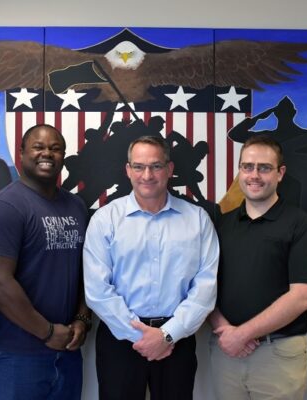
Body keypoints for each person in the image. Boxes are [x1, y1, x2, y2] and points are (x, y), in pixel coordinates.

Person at [83, 135, 219, 400]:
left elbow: (205, 287)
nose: (147, 175)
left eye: (156, 166)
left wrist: (167, 335)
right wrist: (142, 337)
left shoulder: (198, 220)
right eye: (139, 166)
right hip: (119, 340)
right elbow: (97, 290)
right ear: (128, 170)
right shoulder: (105, 220)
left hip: (177, 341)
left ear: (169, 169)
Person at [0, 124, 90, 400]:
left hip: (66, 353)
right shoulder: (4, 207)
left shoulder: (76, 207)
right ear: (22, 153)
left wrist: (82, 319)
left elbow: (88, 271)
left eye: (55, 148)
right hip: (13, 356)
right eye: (38, 147)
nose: (46, 153)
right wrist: (47, 332)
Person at [209, 135, 307, 400]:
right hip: (225, 349)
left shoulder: (302, 226)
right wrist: (226, 331)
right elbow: (204, 286)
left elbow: (303, 297)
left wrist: (243, 335)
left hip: (278, 354)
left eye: (264, 167)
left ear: (280, 173)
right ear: (239, 171)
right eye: (247, 167)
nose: (254, 175)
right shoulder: (222, 225)